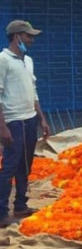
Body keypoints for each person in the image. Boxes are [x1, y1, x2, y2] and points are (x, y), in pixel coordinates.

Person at [0, 20, 50, 227]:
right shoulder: (3, 60)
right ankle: (2, 211)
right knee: (10, 166)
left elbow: (34, 91)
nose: (32, 39)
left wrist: (42, 118)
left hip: (29, 119)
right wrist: (2, 127)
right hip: (14, 120)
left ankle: (21, 205)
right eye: (28, 36)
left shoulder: (27, 60)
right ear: (16, 36)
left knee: (25, 165)